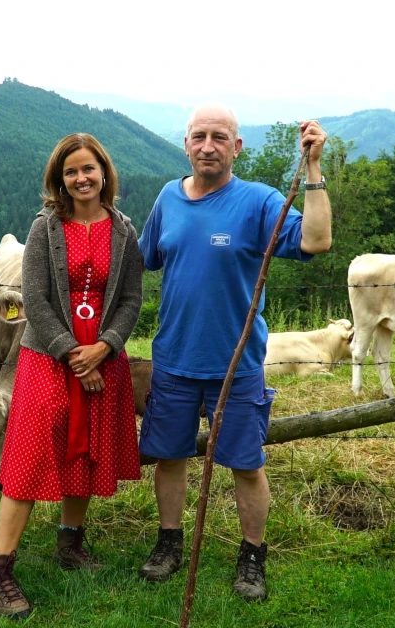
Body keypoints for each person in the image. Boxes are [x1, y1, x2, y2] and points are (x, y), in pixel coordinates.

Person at [137, 105, 331, 602]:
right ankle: (169, 542)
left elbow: (317, 240)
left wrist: (312, 170)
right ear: (185, 145)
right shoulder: (167, 198)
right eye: (198, 136)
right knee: (169, 458)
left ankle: (252, 557)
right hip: (174, 361)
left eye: (219, 137)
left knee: (245, 464)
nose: (208, 145)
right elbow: (143, 258)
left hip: (237, 366)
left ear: (236, 147)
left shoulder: (259, 202)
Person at [0, 133, 145, 620]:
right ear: (59, 179)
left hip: (103, 358)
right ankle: (1, 568)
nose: (81, 179)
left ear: (104, 174)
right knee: (30, 458)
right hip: (47, 361)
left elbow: (131, 300)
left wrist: (104, 348)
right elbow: (33, 299)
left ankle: (69, 545)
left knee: (88, 448)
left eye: (88, 169)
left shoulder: (123, 231)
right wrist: (74, 354)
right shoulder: (45, 229)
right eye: (71, 172)